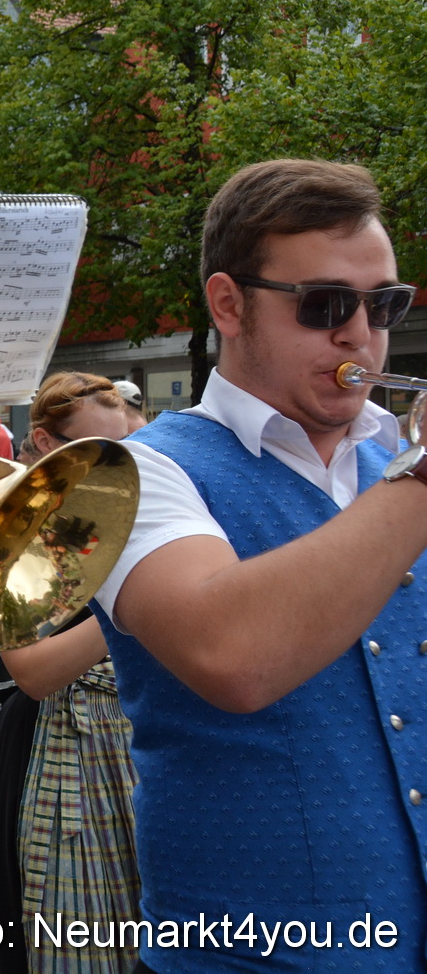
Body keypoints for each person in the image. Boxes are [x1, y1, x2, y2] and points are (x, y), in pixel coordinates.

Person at [93, 159, 427, 971]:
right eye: (324, 305)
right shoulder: (126, 474)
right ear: (228, 303)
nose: (360, 334)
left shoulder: (397, 449)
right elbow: (232, 655)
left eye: (383, 304)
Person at [0, 372, 139, 974]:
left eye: (123, 449)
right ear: (46, 445)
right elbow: (32, 672)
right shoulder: (29, 526)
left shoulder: (135, 506)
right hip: (56, 733)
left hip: (130, 737)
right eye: (92, 453)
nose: (114, 468)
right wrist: (133, 605)